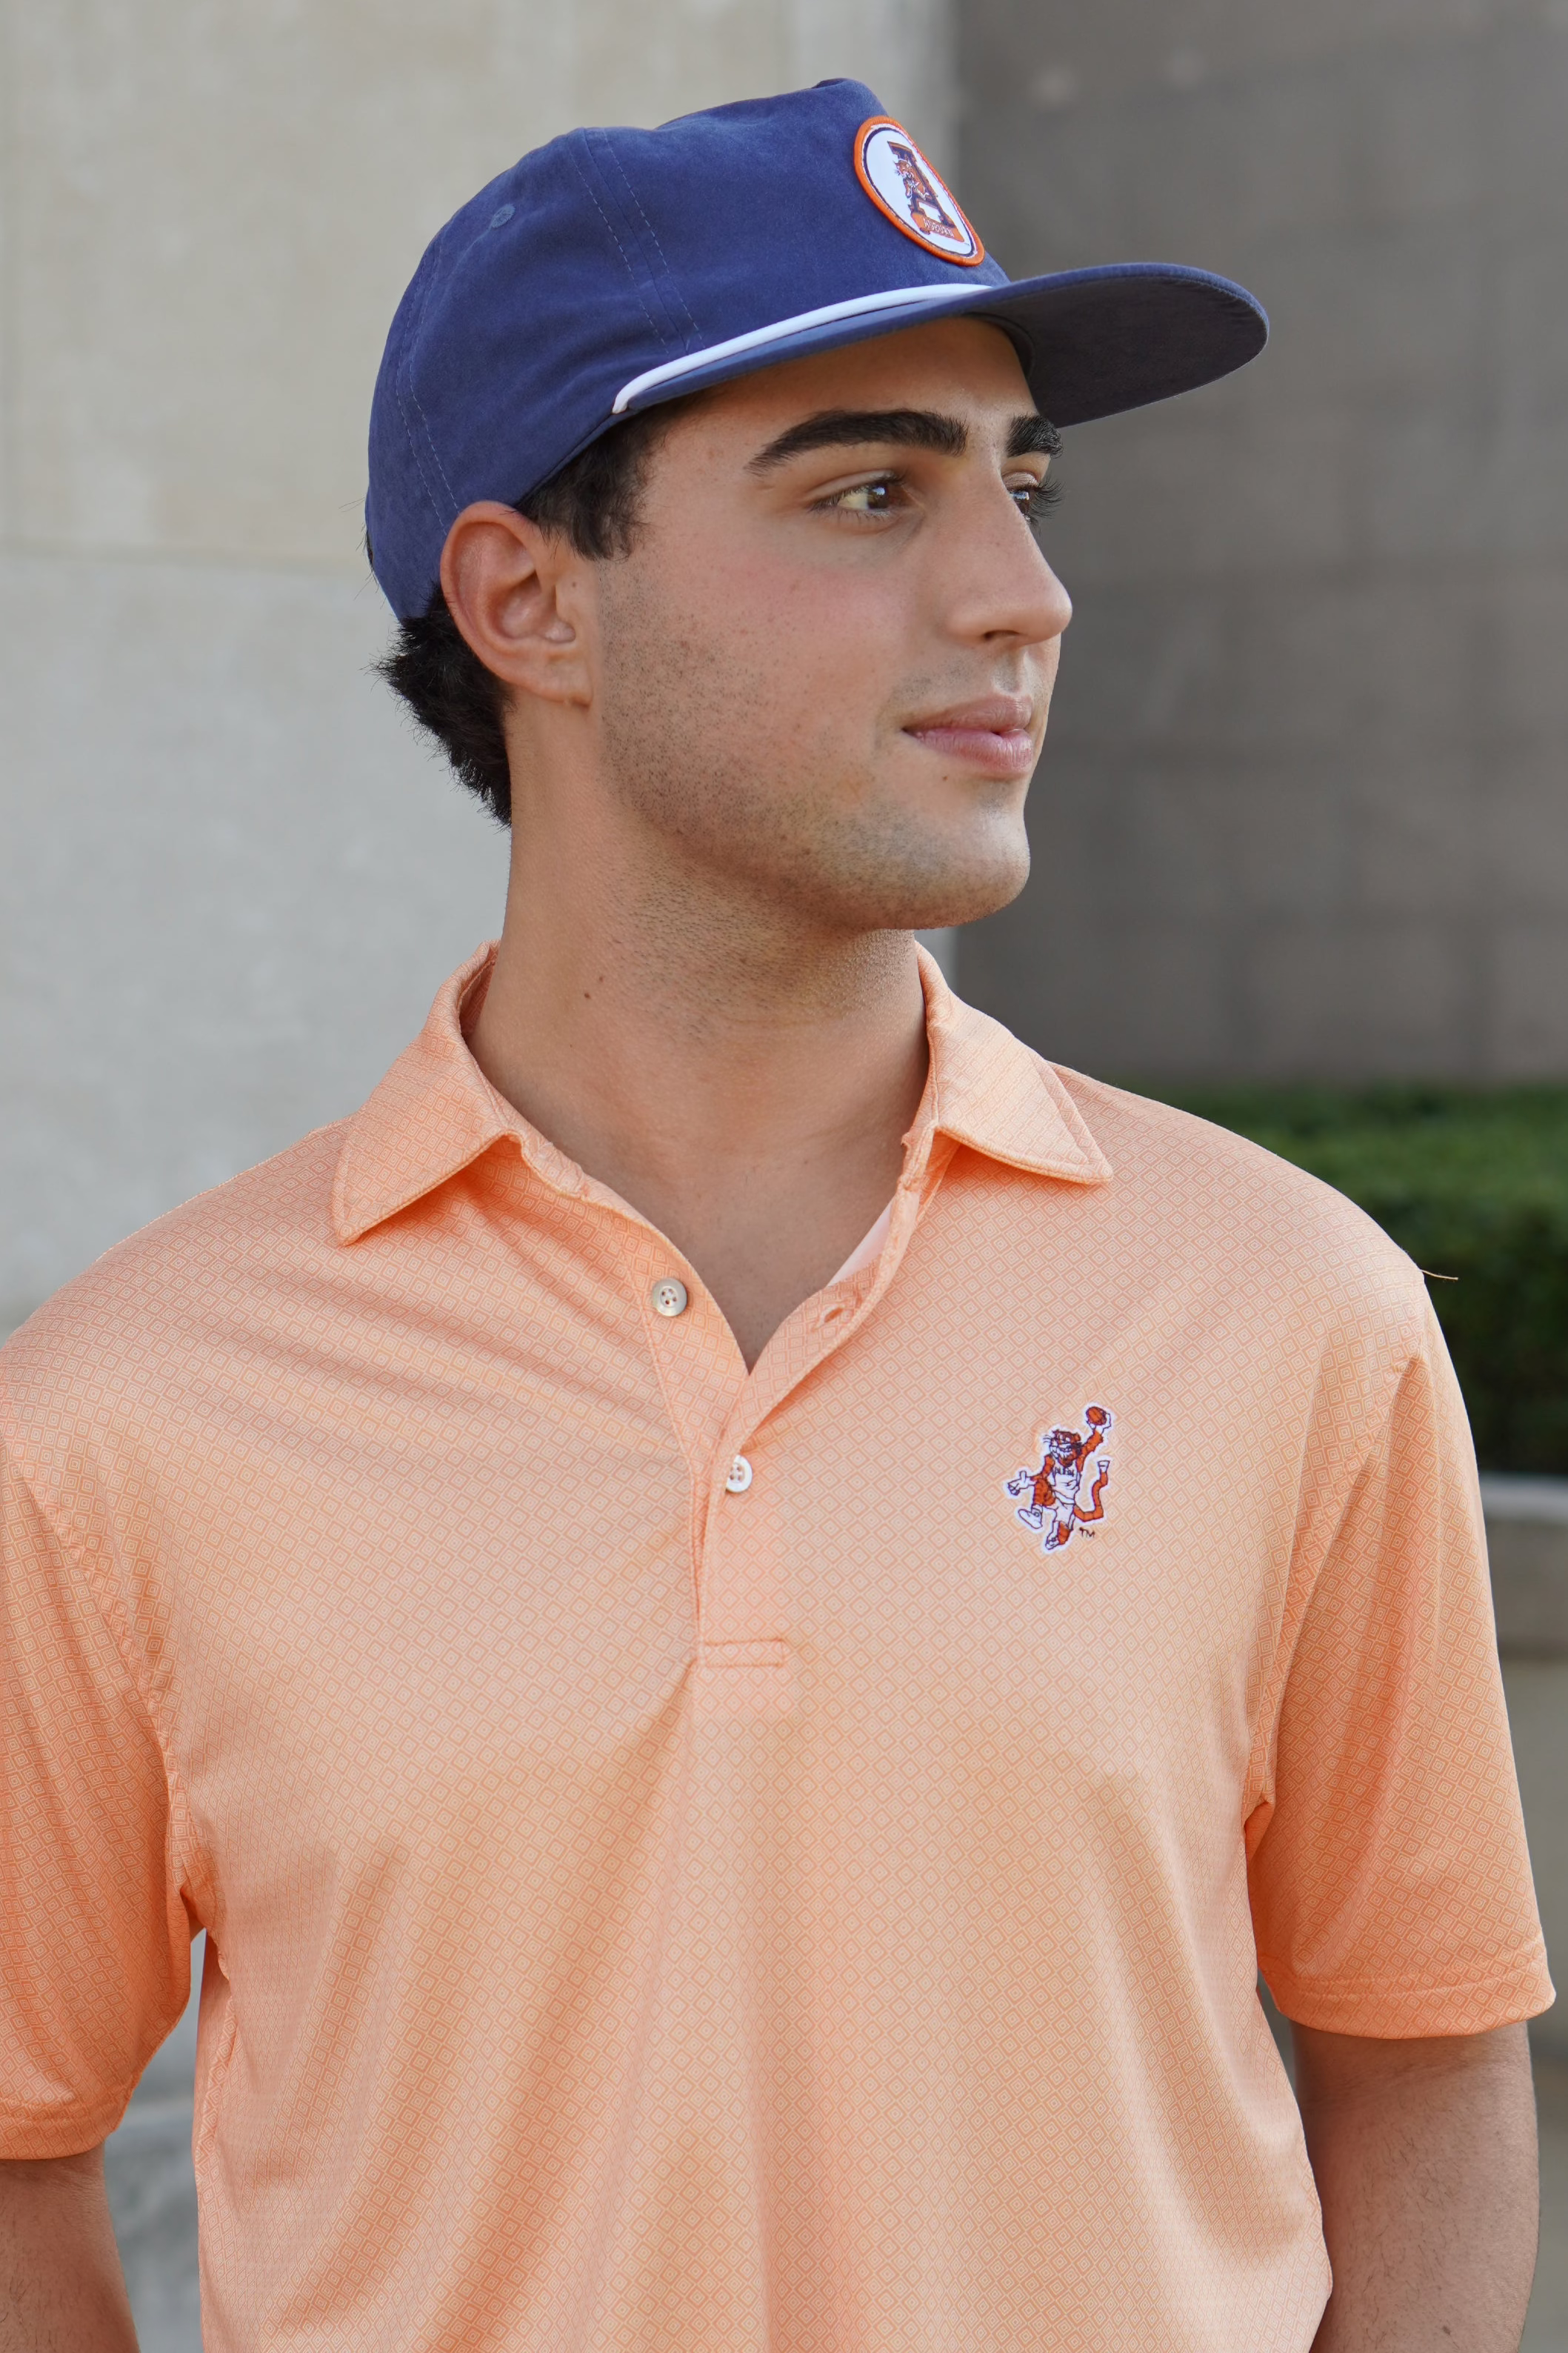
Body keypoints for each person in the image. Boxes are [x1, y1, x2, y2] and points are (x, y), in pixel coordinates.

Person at [0, 78, 1550, 2353]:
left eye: (1019, 484)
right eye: (865, 491)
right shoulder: (126, 1416)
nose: (1022, 595)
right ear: (530, 599)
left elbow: (1422, 2064)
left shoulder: (1283, 1307)